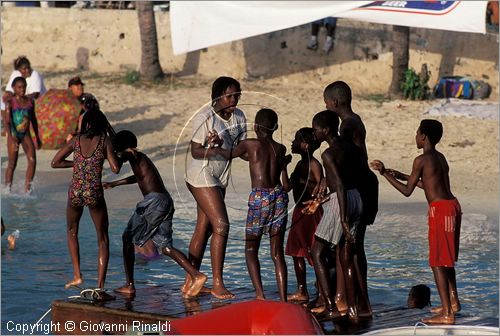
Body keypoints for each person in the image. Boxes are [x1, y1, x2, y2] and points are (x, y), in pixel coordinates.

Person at [370, 119, 461, 325]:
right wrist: (402, 175)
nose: (416, 136)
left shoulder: (420, 160)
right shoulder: (440, 157)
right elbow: (430, 184)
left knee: (437, 262)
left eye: (417, 132)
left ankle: (447, 313)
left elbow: (407, 191)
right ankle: (453, 302)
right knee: (447, 259)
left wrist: (384, 173)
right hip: (453, 206)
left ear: (424, 136)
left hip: (440, 211)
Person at [103, 130, 208, 298]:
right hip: (165, 202)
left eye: (117, 152)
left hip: (154, 203)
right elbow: (138, 177)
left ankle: (129, 285)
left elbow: (120, 162)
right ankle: (197, 275)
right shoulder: (139, 159)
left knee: (127, 239)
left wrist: (119, 151)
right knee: (165, 247)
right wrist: (115, 184)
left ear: (125, 149)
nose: (117, 156)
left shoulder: (135, 155)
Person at [183, 76, 247, 300]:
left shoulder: (239, 116)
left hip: (220, 177)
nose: (234, 100)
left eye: (237, 96)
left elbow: (242, 151)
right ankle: (218, 283)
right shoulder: (205, 117)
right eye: (230, 96)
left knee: (205, 227)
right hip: (201, 174)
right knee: (222, 224)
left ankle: (190, 280)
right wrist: (215, 148)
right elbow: (195, 151)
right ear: (218, 97)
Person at [218, 108, 290, 301]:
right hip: (280, 196)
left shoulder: (250, 144)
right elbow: (251, 157)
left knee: (251, 249)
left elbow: (228, 154)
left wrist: (215, 146)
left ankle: (260, 295)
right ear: (275, 127)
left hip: (260, 198)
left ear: (256, 126)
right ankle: (283, 299)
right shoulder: (281, 148)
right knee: (277, 253)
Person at [51, 108, 121, 298]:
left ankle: (77, 275)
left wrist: (77, 164)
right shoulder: (104, 141)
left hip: (75, 192)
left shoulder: (76, 140)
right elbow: (115, 169)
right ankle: (100, 286)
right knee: (102, 238)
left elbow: (55, 162)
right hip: (93, 193)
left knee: (72, 231)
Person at [322, 80, 378, 317]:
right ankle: (349, 298)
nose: (325, 107)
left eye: (326, 104)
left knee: (350, 248)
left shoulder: (347, 126)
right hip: (364, 185)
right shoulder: (355, 120)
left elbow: (344, 157)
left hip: (358, 187)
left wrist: (330, 177)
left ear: (334, 103)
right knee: (351, 248)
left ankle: (352, 301)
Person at [310, 110, 368, 322]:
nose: (314, 133)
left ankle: (330, 305)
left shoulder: (328, 154)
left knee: (316, 251)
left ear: (325, 130)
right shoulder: (351, 148)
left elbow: (340, 186)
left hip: (341, 202)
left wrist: (342, 219)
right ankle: (354, 309)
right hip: (357, 198)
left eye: (316, 129)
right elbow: (355, 175)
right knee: (346, 256)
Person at [285, 127, 323, 303]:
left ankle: (323, 288)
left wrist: (316, 196)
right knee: (297, 251)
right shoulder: (299, 164)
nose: (292, 143)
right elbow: (287, 187)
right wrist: (283, 168)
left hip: (311, 213)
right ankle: (302, 290)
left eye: (296, 140)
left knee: (315, 252)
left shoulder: (314, 164)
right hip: (299, 211)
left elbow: (322, 187)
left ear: (305, 145)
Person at [4, 77, 42, 193]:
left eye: (24, 87)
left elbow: (34, 120)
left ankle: (27, 190)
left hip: (26, 135)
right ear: (14, 88)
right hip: (14, 135)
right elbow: (7, 123)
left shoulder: (30, 102)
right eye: (19, 87)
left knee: (32, 160)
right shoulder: (10, 103)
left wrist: (37, 137)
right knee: (12, 164)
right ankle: (7, 190)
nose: (22, 89)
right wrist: (11, 139)